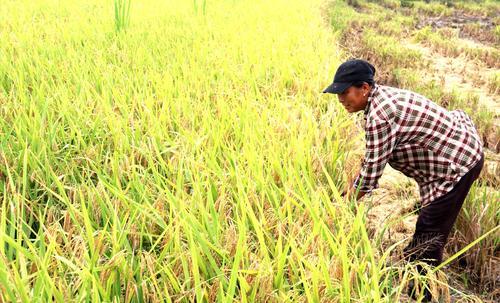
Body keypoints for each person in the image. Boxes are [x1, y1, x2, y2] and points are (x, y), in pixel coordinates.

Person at [323, 59, 484, 301]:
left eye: (345, 92)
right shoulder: (379, 99)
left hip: (457, 164)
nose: (341, 99)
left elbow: (372, 172)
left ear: (364, 88)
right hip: (452, 150)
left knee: (427, 241)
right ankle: (416, 277)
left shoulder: (380, 115)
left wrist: (345, 204)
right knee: (427, 231)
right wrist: (350, 190)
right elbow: (370, 162)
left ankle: (423, 293)